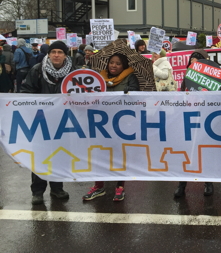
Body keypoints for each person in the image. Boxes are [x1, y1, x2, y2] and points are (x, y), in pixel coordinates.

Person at [21, 41, 74, 205]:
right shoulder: (37, 70)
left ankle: (57, 189)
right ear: (49, 54)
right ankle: (37, 191)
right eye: (53, 52)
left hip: (63, 123)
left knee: (59, 155)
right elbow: (26, 92)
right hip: (41, 122)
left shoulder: (73, 73)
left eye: (60, 52)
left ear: (65, 55)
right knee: (40, 157)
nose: (56, 55)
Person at [83, 53, 140, 202]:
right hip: (101, 122)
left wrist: (126, 93)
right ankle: (99, 186)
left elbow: (136, 95)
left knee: (120, 155)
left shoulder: (130, 77)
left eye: (118, 63)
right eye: (111, 62)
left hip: (122, 123)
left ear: (124, 66)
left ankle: (120, 186)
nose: (113, 66)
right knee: (99, 154)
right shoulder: (99, 78)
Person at [174, 48, 214, 197]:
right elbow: (180, 95)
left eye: (198, 60)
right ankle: (181, 184)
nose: (194, 62)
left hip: (205, 117)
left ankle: (208, 182)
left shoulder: (211, 79)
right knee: (186, 152)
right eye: (192, 60)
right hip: (188, 117)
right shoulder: (186, 77)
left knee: (205, 151)